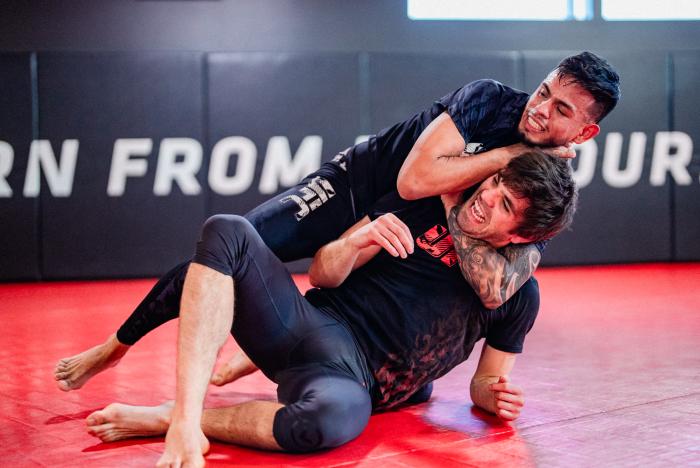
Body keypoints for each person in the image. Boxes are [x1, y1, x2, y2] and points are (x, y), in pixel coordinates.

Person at [54, 51, 619, 392]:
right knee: (231, 252)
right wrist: (509, 157)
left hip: (389, 232)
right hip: (351, 187)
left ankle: (261, 355)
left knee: (376, 342)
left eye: (561, 110)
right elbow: (412, 181)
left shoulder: (549, 185)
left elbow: (502, 286)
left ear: (585, 133)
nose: (540, 108)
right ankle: (116, 346)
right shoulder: (489, 100)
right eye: (545, 90)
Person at [83, 152, 577, 467]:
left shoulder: (515, 295)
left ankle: (166, 416)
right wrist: (356, 239)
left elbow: (486, 380)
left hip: (351, 385)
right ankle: (186, 420)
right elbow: (323, 273)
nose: (486, 198)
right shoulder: (422, 206)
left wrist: (494, 397)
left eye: (506, 204)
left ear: (524, 236)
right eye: (495, 184)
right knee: (229, 229)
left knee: (327, 422)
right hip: (312, 329)